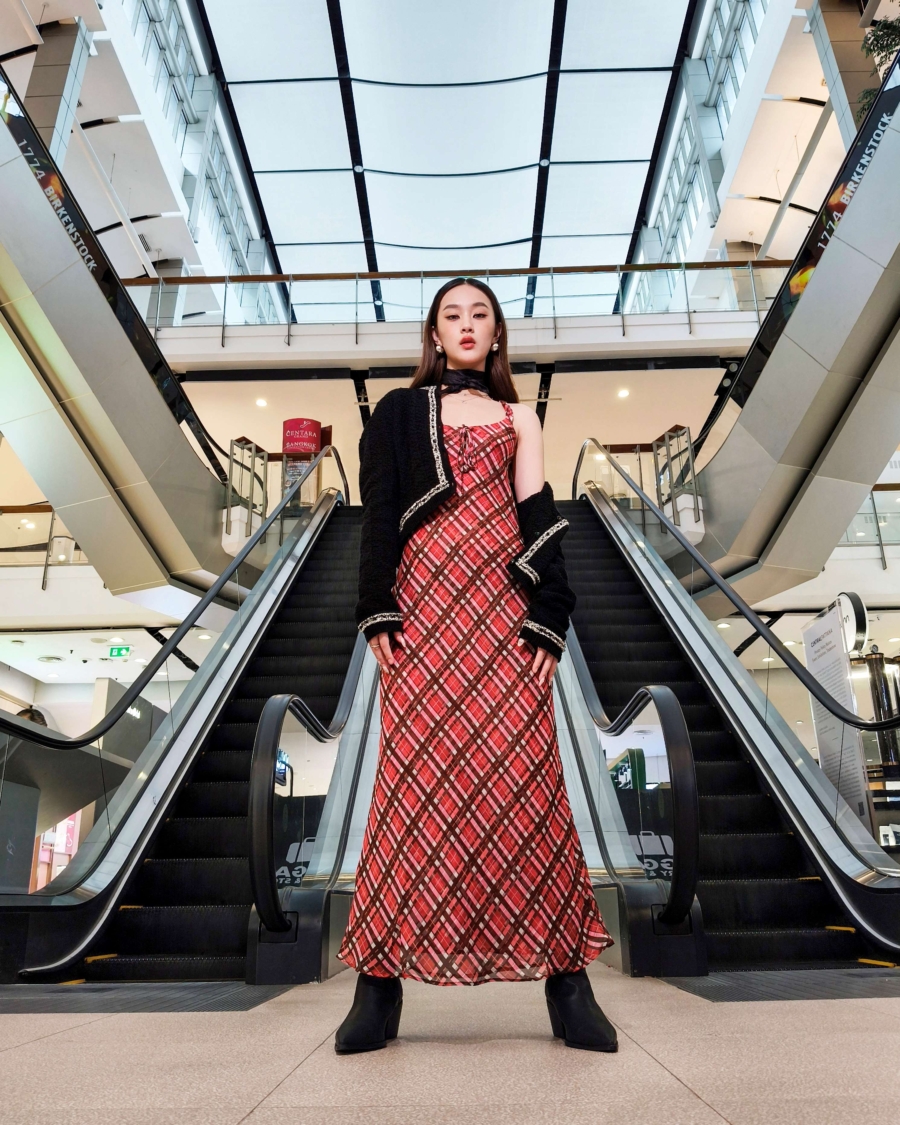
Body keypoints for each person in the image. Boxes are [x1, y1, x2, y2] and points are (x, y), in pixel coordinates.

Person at [335, 277, 616, 1055]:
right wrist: (376, 603)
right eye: (451, 315)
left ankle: (568, 981)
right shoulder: (399, 411)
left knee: (529, 782)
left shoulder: (519, 416)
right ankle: (378, 985)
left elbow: (537, 515)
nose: (466, 325)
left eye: (480, 315)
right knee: (411, 788)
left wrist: (551, 611)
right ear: (434, 333)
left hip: (502, 616)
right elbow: (380, 509)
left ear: (496, 334)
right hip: (425, 615)